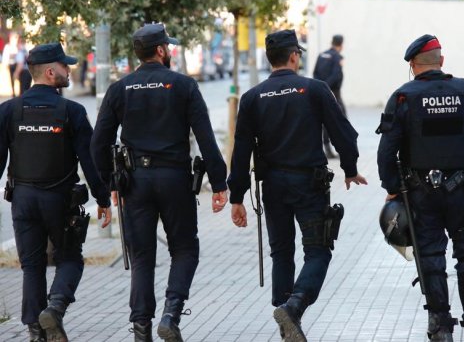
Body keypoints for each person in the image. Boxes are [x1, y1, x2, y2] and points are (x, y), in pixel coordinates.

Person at [90, 23, 228, 342]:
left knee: (141, 257)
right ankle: (171, 313)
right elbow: (206, 139)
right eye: (170, 47)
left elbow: (98, 144)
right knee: (184, 248)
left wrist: (111, 183)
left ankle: (141, 330)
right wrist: (220, 184)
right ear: (162, 51)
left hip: (134, 181)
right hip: (175, 179)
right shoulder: (183, 86)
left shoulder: (119, 89)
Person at [228, 29, 367, 342]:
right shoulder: (314, 89)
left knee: (281, 253)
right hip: (309, 184)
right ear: (293, 56)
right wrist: (350, 168)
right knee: (318, 251)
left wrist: (237, 196)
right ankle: (294, 307)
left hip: (273, 185)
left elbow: (241, 150)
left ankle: (284, 320)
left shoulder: (252, 98)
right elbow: (344, 132)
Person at [377, 34, 464, 342]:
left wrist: (393, 188)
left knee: (431, 255)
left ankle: (441, 326)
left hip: (419, 193)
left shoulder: (404, 97)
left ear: (412, 65)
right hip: (460, 191)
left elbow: (386, 152)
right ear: (442, 62)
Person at [0, 42, 111, 342]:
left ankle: (36, 332)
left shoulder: (9, 111)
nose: (69, 69)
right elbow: (90, 161)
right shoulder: (71, 112)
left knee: (31, 266)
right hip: (59, 201)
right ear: (51, 72)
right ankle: (56, 307)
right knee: (70, 259)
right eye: (65, 66)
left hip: (22, 200)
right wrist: (104, 199)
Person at [313, 34, 345, 158]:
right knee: (341, 120)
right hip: (334, 93)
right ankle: (342, 149)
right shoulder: (337, 57)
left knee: (323, 121)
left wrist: (320, 87)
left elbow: (315, 73)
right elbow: (336, 75)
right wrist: (327, 87)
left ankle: (326, 148)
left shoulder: (321, 55)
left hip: (320, 92)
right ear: (341, 44)